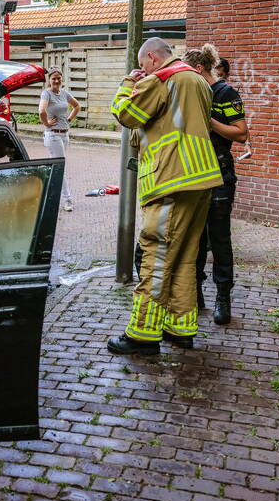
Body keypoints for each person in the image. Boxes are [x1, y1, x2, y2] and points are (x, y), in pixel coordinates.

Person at [107, 38, 222, 355]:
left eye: (143, 64)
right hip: (202, 178)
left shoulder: (162, 78)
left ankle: (143, 334)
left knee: (156, 257)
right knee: (184, 256)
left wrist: (130, 80)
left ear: (153, 58)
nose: (143, 70)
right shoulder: (198, 80)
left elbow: (125, 113)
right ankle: (180, 328)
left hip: (171, 179)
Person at [184, 45, 249, 325]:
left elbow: (241, 134)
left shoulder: (226, 93)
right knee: (194, 238)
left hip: (220, 173)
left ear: (199, 70)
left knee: (219, 238)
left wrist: (208, 121)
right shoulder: (192, 93)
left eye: (188, 73)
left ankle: (223, 297)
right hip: (194, 173)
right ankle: (195, 293)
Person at [38, 68, 80, 212]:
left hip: (64, 135)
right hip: (53, 135)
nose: (56, 81)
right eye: (53, 78)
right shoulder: (46, 93)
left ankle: (45, 196)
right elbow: (41, 111)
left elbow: (77, 106)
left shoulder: (64, 93)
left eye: (58, 78)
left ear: (62, 79)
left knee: (56, 168)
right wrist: (46, 124)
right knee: (60, 168)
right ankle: (67, 199)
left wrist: (69, 119)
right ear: (49, 80)